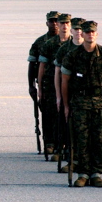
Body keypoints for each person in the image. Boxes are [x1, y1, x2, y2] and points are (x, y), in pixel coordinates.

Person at [61, 21, 102, 188]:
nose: (90, 35)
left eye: (93, 32)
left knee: (99, 139)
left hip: (100, 102)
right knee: (81, 140)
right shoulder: (73, 56)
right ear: (82, 34)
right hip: (80, 103)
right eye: (87, 32)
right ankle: (83, 174)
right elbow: (65, 82)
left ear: (96, 34)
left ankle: (96, 173)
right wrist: (66, 105)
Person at [54, 17, 86, 173]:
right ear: (72, 31)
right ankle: (70, 159)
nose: (79, 31)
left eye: (81, 29)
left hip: (88, 96)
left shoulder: (95, 50)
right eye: (76, 28)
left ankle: (86, 162)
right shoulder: (64, 49)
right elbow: (57, 73)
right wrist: (59, 97)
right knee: (68, 128)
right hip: (71, 95)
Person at [38, 13, 71, 160]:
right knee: (51, 115)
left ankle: (66, 146)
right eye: (59, 22)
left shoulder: (76, 44)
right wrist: (37, 87)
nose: (61, 26)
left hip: (72, 86)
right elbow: (39, 66)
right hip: (51, 85)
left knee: (68, 117)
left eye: (66, 23)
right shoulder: (47, 44)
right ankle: (52, 143)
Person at [28, 11, 59, 155]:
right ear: (47, 23)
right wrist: (31, 86)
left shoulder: (69, 42)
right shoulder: (40, 42)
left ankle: (62, 143)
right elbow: (32, 64)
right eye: (51, 21)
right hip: (46, 85)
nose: (54, 24)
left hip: (63, 85)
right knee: (47, 114)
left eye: (57, 21)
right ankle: (49, 142)